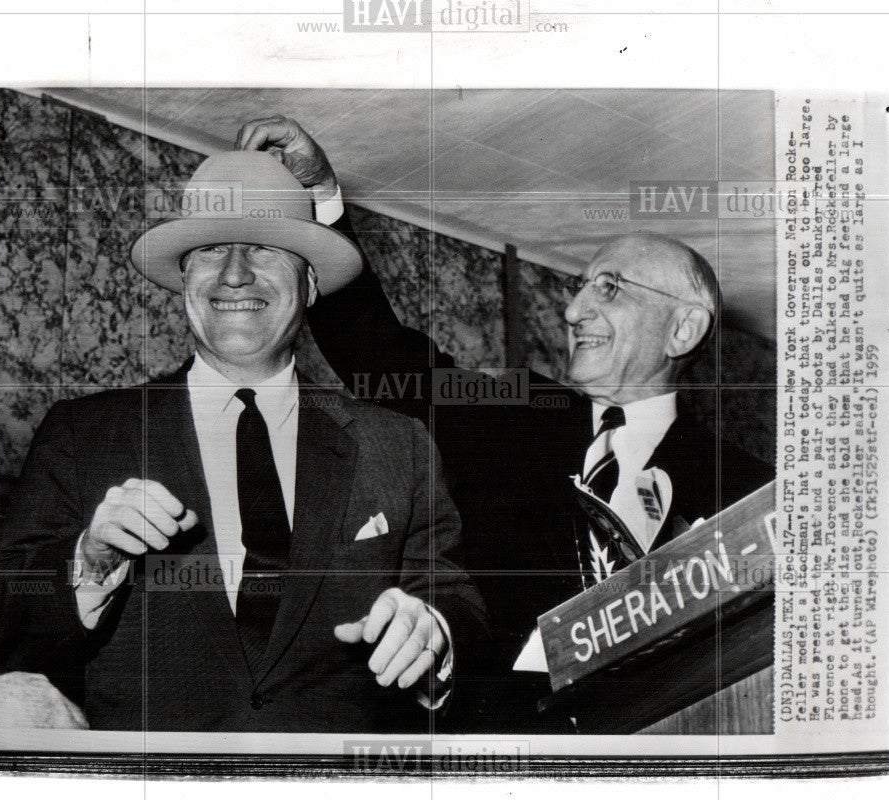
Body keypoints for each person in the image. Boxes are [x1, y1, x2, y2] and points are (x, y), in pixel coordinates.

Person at [233, 115, 775, 733]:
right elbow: (380, 354)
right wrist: (321, 198)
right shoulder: (513, 415)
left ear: (684, 329)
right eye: (578, 288)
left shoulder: (754, 490)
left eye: (610, 289)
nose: (573, 310)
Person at [0, 150, 487, 732]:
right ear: (183, 278)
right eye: (209, 249)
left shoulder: (397, 444)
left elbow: (458, 599)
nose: (234, 273)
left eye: (262, 247)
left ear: (308, 285)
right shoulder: (84, 433)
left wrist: (434, 630)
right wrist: (90, 561)